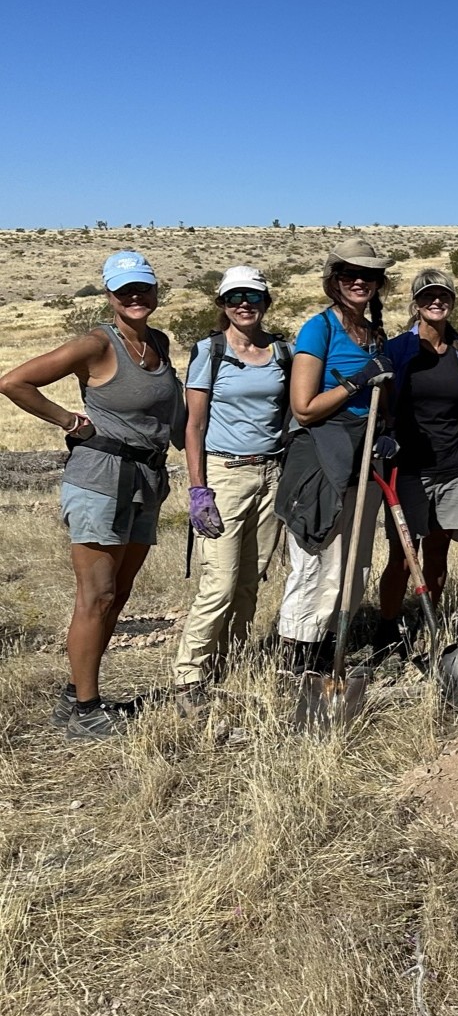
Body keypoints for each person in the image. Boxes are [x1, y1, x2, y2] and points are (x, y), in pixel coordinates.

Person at [0, 250, 185, 739]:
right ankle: (85, 711)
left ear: (156, 291)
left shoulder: (159, 344)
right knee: (96, 596)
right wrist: (67, 420)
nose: (136, 297)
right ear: (109, 295)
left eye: (143, 288)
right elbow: (14, 381)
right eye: (125, 290)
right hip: (100, 477)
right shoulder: (96, 344)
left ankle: (76, 694)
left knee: (117, 596)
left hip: (147, 478)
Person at [173, 266, 290, 711]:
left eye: (253, 296)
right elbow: (194, 424)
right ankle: (189, 676)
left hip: (270, 474)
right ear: (222, 303)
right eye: (234, 297)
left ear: (265, 302)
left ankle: (229, 663)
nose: (244, 304)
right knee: (218, 582)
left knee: (248, 580)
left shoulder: (281, 350)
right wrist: (198, 488)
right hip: (224, 475)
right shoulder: (210, 351)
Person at [275, 236, 393, 671]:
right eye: (350, 274)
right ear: (335, 280)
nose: (359, 282)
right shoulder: (318, 329)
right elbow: (304, 409)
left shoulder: (373, 333)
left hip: (364, 457)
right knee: (316, 556)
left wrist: (386, 431)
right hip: (323, 457)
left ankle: (326, 645)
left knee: (353, 560)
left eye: (369, 275)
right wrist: (357, 381)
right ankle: (296, 653)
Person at [378, 268, 458, 644]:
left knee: (438, 552)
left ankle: (428, 628)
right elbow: (384, 405)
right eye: (427, 296)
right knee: (402, 556)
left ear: (452, 301)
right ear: (416, 304)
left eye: (442, 295)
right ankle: (388, 629)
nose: (435, 301)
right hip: (408, 470)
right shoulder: (396, 350)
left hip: (455, 467)